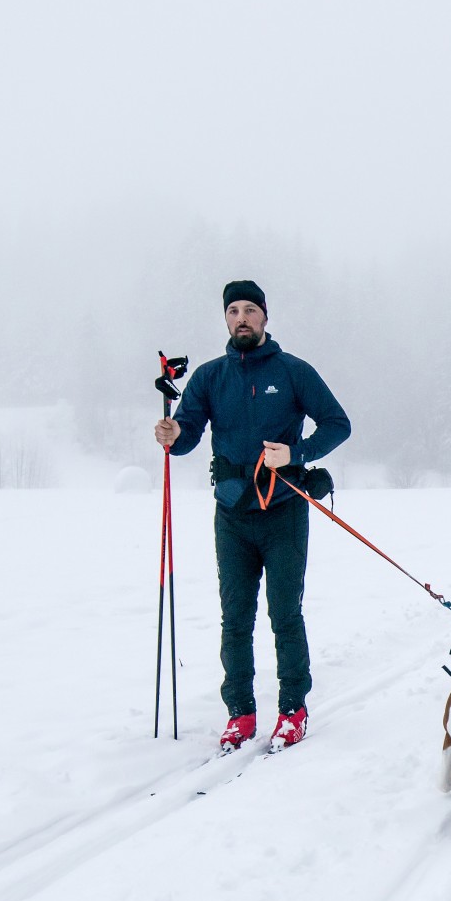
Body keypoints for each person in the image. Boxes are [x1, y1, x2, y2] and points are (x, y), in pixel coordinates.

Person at [154, 280, 351, 754]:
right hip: (232, 514)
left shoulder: (292, 372)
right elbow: (188, 436)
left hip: (282, 512)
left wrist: (297, 452)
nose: (241, 318)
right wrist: (173, 432)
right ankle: (240, 714)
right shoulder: (209, 377)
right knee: (235, 619)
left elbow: (338, 424)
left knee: (285, 615)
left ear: (265, 317)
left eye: (250, 310)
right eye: (233, 311)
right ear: (225, 319)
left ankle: (292, 710)